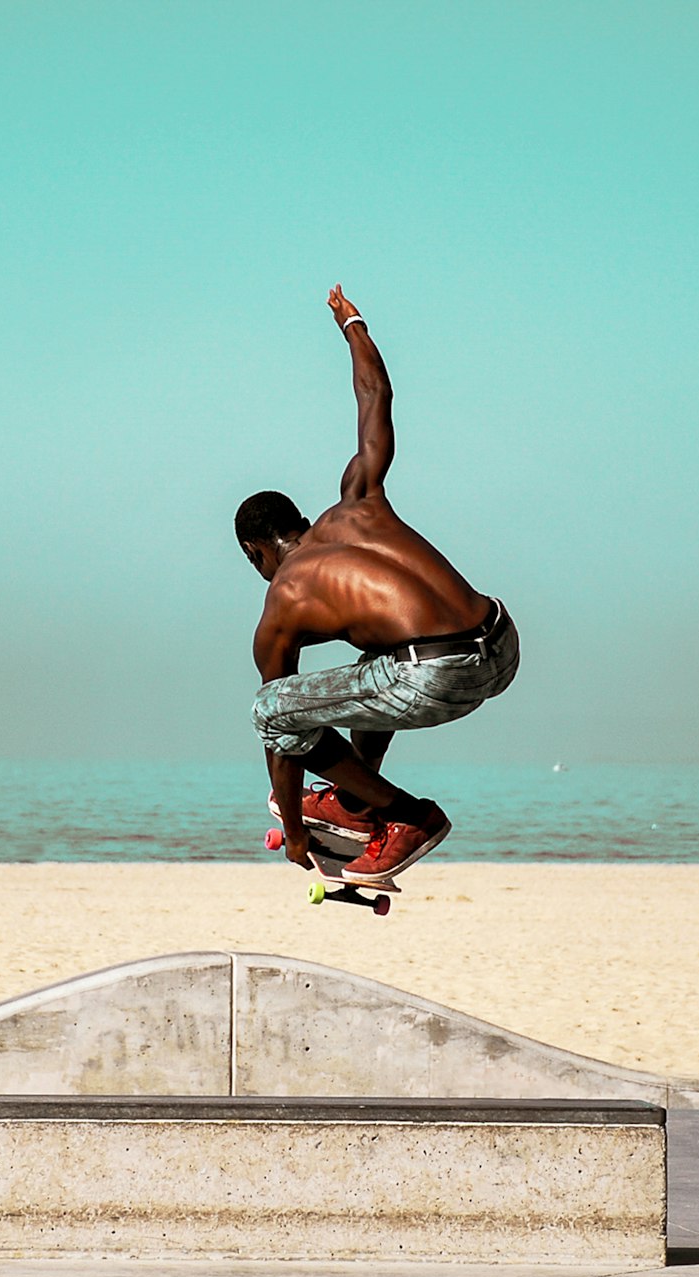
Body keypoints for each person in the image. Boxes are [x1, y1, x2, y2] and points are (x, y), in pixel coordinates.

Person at [236, 284, 519, 883]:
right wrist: (353, 323)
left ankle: (407, 815)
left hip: (438, 674)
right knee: (373, 655)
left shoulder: (284, 597)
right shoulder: (359, 500)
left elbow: (280, 730)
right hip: (501, 642)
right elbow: (375, 396)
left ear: (254, 551)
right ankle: (361, 800)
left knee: (270, 708)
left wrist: (293, 833)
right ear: (303, 522)